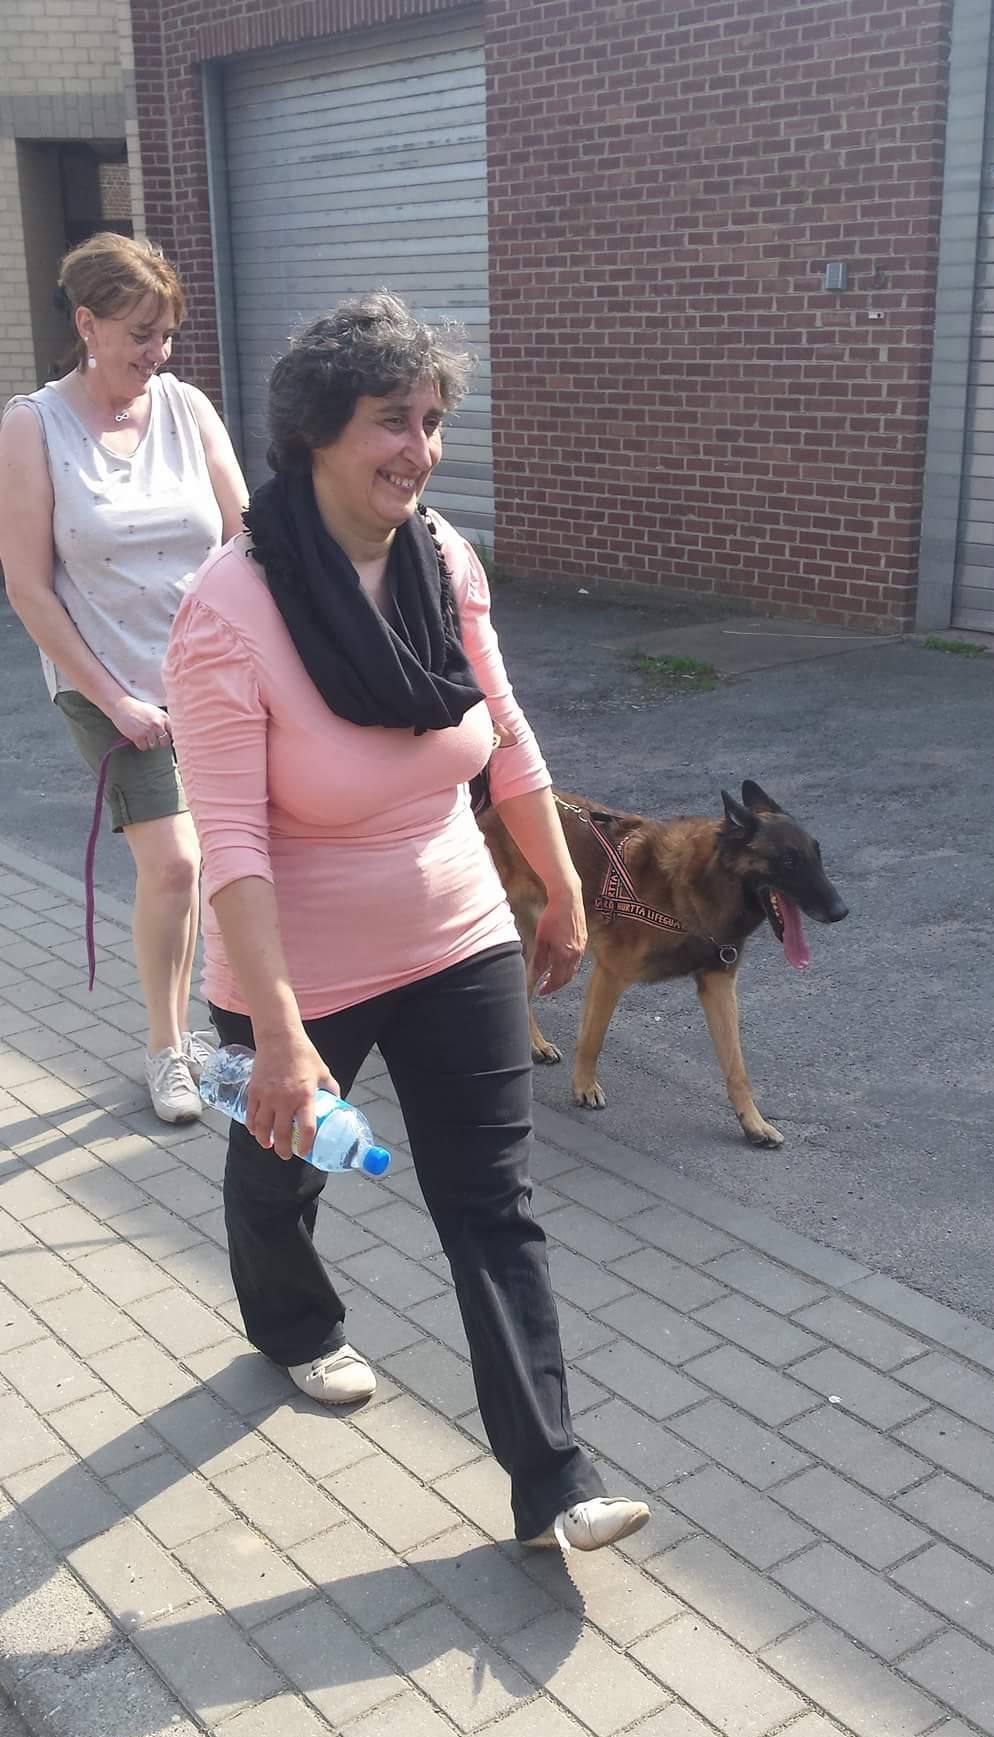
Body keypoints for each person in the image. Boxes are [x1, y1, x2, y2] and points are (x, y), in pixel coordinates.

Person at [162, 292, 648, 1554]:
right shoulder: (228, 609)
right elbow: (233, 842)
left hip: (455, 930)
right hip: (290, 966)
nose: (420, 448)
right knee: (279, 1172)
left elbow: (504, 731)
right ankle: (293, 1321)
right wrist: (278, 1036)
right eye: (392, 420)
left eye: (433, 420)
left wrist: (564, 886)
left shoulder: (443, 559)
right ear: (317, 431)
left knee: (491, 1200)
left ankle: (554, 1478)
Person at [0, 232, 248, 1124]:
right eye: (142, 333)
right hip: (105, 683)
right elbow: (28, 588)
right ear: (87, 324)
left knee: (224, 857)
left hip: (208, 677)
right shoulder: (33, 426)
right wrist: (116, 699)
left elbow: (244, 533)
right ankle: (165, 1049)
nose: (159, 352)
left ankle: (221, 1022)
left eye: (167, 333)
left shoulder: (186, 408)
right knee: (174, 861)